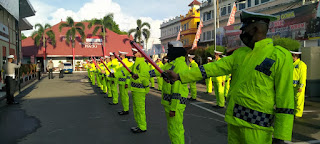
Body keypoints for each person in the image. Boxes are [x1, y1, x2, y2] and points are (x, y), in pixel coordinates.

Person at [165, 10, 294, 143]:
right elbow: (213, 68)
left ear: (255, 29)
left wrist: (281, 137)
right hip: (234, 124)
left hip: (258, 129)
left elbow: (285, 98)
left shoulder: (279, 56)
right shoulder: (240, 54)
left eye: (244, 30)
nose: (242, 34)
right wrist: (180, 76)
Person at [148, 41, 189, 143]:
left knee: (176, 130)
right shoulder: (172, 64)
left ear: (176, 51)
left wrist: (173, 108)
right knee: (172, 129)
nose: (168, 52)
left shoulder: (180, 65)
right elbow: (158, 71)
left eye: (171, 49)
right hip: (169, 103)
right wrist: (142, 74)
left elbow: (177, 90)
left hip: (175, 105)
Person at [129, 48, 149, 133]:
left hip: (140, 91)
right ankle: (139, 125)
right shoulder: (135, 64)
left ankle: (142, 126)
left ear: (140, 54)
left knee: (140, 109)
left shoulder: (142, 64)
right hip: (135, 90)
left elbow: (145, 78)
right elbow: (127, 71)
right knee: (136, 109)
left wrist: (146, 88)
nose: (133, 53)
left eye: (135, 52)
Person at [114, 51, 133, 115]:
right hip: (121, 82)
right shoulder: (121, 63)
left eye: (120, 55)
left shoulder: (127, 63)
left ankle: (126, 109)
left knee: (125, 97)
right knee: (122, 97)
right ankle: (124, 108)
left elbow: (129, 74)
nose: (119, 56)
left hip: (124, 83)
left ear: (123, 55)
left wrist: (127, 83)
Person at [291, 49, 307, 118]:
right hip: (292, 85)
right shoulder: (292, 64)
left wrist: (301, 86)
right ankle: (294, 112)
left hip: (298, 86)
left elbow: (303, 77)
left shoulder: (301, 64)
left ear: (295, 55)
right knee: (293, 100)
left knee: (298, 100)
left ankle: (298, 114)